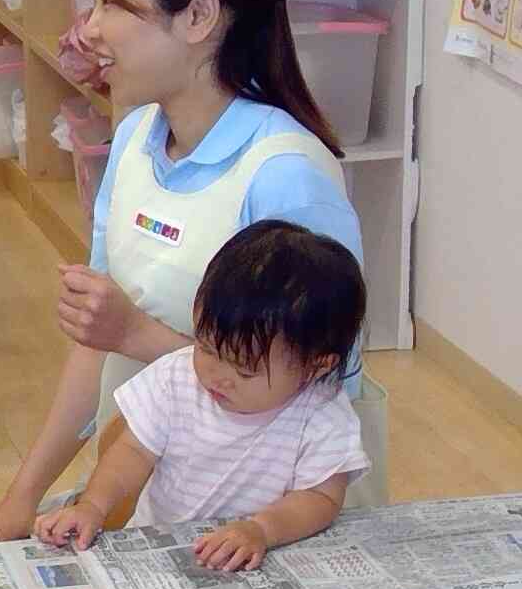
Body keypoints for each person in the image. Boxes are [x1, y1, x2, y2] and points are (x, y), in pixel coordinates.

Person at [0, 0, 368, 545]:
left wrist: (138, 335)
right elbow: (96, 345)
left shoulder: (286, 174)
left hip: (272, 532)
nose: (90, 29)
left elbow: (318, 386)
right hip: (165, 505)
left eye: (113, 4)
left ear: (199, 18)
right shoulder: (135, 137)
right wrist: (20, 500)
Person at [35, 220, 369, 570]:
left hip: (263, 558)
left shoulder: (321, 412)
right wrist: (93, 506)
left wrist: (261, 529)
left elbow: (321, 497)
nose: (218, 375)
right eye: (207, 348)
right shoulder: (176, 378)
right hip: (162, 554)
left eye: (245, 370)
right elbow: (132, 453)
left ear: (315, 366)